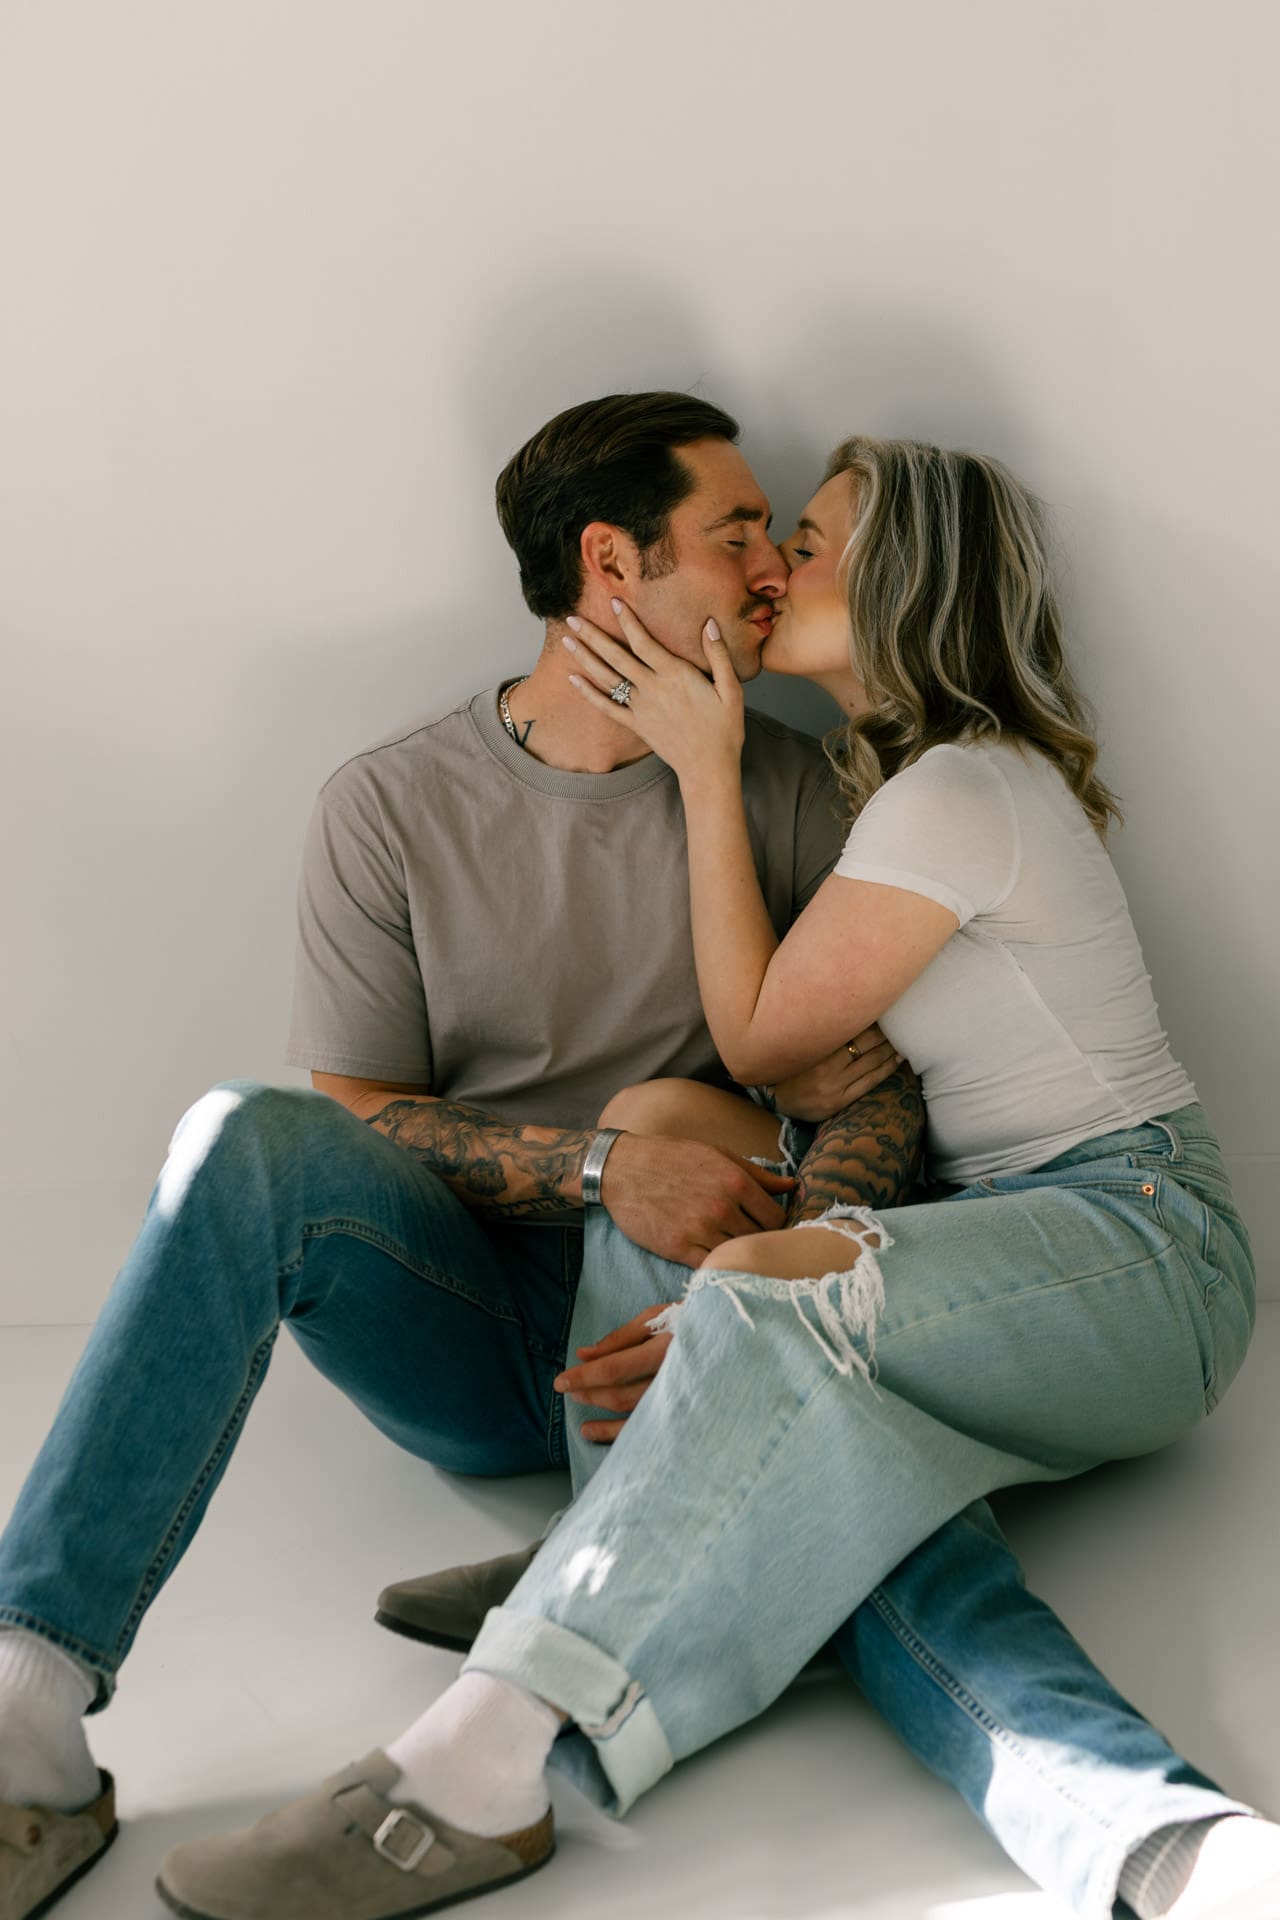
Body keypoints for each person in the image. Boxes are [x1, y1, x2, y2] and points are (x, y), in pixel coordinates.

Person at [0, 396, 1257, 1920]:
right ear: (614, 561)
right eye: (743, 537)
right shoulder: (390, 805)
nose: (770, 569)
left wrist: (751, 1284)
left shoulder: (814, 789)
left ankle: (1137, 1833)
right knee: (237, 1137)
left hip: (716, 1302)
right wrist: (605, 1175)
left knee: (832, 1434)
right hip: (483, 1320)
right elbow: (359, 1118)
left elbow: (869, 1098)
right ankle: (25, 1710)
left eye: (796, 542)